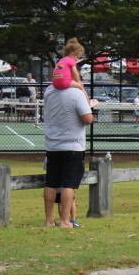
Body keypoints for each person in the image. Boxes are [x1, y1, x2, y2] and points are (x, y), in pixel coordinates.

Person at [43, 75, 94, 227]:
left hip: (53, 145)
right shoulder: (76, 93)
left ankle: (49, 220)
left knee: (51, 182)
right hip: (73, 146)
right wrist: (81, 89)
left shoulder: (49, 91)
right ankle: (65, 221)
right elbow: (88, 119)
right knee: (69, 184)